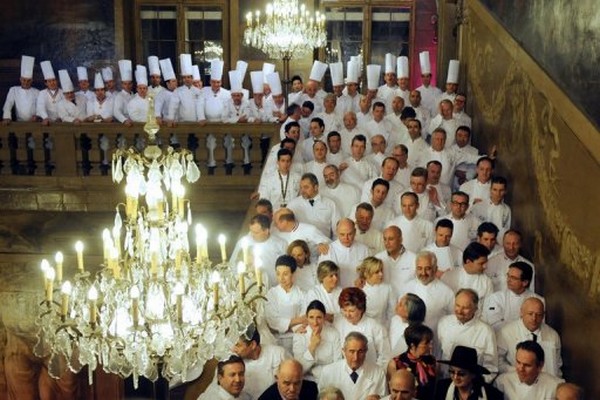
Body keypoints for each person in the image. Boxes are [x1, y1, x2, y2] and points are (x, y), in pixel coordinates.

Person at [437, 289, 498, 377]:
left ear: (475, 309)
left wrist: (475, 385)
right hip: (444, 380)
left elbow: (491, 369)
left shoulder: (486, 331)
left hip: (472, 385)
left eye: (465, 308)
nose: (460, 311)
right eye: (457, 305)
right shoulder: (444, 323)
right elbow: (438, 355)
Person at [497, 298, 562, 377]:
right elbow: (498, 361)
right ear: (521, 312)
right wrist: (518, 371)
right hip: (516, 379)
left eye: (538, 315)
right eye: (530, 314)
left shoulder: (552, 335)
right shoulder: (506, 332)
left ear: (543, 316)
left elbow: (557, 365)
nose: (534, 318)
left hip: (546, 383)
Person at [319, 332, 387, 400]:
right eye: (351, 351)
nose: (355, 358)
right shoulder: (328, 372)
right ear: (344, 351)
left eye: (360, 352)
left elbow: (384, 398)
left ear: (366, 351)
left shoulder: (378, 372)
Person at [333, 287, 391, 367]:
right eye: (344, 310)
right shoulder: (338, 323)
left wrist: (376, 375)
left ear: (361, 309)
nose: (347, 315)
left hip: (370, 373)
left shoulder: (375, 327)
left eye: (351, 311)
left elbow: (385, 357)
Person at [399, 251, 454, 332]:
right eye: (419, 268)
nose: (423, 273)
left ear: (435, 269)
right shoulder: (407, 288)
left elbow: (452, 319)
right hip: (410, 336)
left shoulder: (447, 292)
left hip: (434, 338)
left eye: (427, 268)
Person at [481, 262, 543, 331]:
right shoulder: (496, 298)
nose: (508, 280)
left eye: (513, 278)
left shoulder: (538, 300)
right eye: (508, 276)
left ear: (525, 282)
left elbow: (537, 325)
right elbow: (495, 323)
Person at [265, 255, 307, 353]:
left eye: (285, 274)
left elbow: (305, 317)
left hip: (299, 337)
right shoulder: (271, 294)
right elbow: (272, 321)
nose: (281, 278)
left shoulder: (302, 293)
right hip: (276, 340)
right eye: (278, 274)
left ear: (293, 273)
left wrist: (295, 326)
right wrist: (296, 322)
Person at [231, 214, 287, 288]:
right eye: (251, 231)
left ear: (266, 231)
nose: (252, 235)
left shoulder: (280, 244)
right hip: (248, 286)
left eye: (256, 232)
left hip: (274, 288)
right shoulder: (244, 242)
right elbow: (233, 264)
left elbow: (285, 268)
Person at [495, 341, 564, 399]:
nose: (521, 369)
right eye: (518, 362)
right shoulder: (502, 382)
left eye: (527, 365)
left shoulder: (555, 386)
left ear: (540, 366)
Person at [292, 300, 342, 381]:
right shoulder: (299, 335)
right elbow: (300, 369)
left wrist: (316, 371)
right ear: (307, 318)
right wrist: (312, 346)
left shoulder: (334, 334)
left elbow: (338, 364)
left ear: (324, 318)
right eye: (311, 317)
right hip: (306, 380)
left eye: (319, 317)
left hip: (329, 378)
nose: (315, 322)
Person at [232, 326, 286, 399]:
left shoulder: (277, 354)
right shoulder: (233, 364)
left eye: (237, 345)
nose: (233, 349)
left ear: (253, 345)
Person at [434, 345, 504, 400]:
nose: (455, 377)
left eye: (461, 374)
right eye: (452, 372)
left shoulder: (493, 395)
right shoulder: (441, 388)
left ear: (473, 374)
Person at [388, 324, 437, 400]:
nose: (431, 346)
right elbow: (392, 393)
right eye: (426, 343)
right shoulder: (396, 363)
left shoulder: (432, 361)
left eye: (430, 342)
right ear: (413, 345)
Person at [318, 218, 369, 288]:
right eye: (342, 234)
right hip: (336, 293)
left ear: (355, 232)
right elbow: (321, 277)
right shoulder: (329, 250)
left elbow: (370, 273)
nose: (346, 238)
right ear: (337, 232)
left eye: (349, 234)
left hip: (358, 292)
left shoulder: (364, 250)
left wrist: (362, 279)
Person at [287, 172, 340, 239]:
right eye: (301, 187)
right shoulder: (292, 204)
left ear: (316, 187)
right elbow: (287, 228)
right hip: (300, 246)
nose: (302, 191)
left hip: (324, 245)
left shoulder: (330, 204)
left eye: (306, 187)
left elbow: (337, 231)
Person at [375, 226, 417, 299]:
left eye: (391, 239)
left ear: (400, 239)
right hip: (383, 304)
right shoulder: (378, 258)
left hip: (406, 304)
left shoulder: (414, 258)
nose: (387, 243)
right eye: (385, 239)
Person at [356, 256, 395, 326]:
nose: (381, 274)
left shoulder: (388, 288)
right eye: (377, 272)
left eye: (381, 270)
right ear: (366, 274)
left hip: (383, 326)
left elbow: (392, 312)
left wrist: (387, 327)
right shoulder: (359, 289)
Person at [167, 54, 205, 125]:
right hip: (182, 123)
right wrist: (170, 118)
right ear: (182, 79)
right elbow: (173, 106)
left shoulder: (198, 92)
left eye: (188, 77)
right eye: (184, 77)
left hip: (196, 123)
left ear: (192, 78)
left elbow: (200, 106)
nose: (186, 79)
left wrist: (201, 118)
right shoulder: (177, 91)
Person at [2, 55, 38, 124]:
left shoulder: (37, 92)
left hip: (34, 123)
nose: (26, 82)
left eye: (28, 80)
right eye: (24, 80)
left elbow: (40, 107)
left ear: (32, 80)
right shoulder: (13, 90)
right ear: (20, 79)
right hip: (19, 123)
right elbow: (8, 104)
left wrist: (37, 116)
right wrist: (6, 117)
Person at [37, 60, 64, 124]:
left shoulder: (63, 92)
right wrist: (45, 117)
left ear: (57, 81)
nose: (52, 83)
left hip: (61, 121)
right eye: (49, 81)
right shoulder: (42, 93)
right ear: (46, 83)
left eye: (54, 80)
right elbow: (40, 107)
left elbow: (66, 106)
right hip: (47, 121)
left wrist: (61, 117)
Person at [113, 59, 135, 125]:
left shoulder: (134, 95)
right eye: (125, 84)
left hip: (135, 122)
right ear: (122, 84)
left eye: (129, 83)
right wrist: (124, 120)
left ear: (132, 84)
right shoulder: (120, 96)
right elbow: (116, 112)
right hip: (126, 124)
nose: (127, 86)